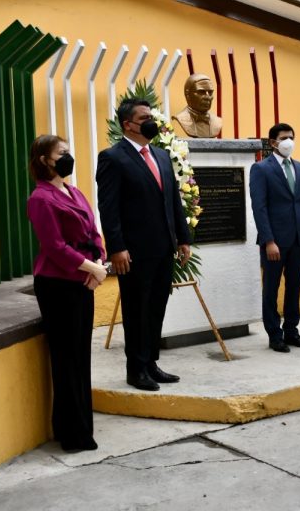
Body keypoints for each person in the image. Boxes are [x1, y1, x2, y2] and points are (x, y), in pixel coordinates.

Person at [97, 98, 192, 391]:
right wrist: (116, 247)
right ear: (128, 124)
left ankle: (151, 362)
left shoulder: (162, 156)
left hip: (164, 248)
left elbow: (173, 200)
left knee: (156, 308)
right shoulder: (113, 157)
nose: (152, 122)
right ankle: (135, 369)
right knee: (137, 310)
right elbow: (108, 207)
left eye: (152, 116)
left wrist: (183, 238)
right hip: (134, 252)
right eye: (144, 117)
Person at [27, 134, 107, 452]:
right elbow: (55, 247)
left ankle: (72, 426)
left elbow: (92, 231)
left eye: (68, 152)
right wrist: (91, 268)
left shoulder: (73, 191)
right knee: (66, 358)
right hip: (57, 285)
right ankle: (73, 435)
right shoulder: (41, 199)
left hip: (82, 282)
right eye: (61, 153)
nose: (67, 157)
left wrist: (97, 264)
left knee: (80, 356)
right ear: (45, 160)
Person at [249, 122, 300, 353]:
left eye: (292, 136)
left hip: (299, 240)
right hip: (274, 242)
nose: (289, 141)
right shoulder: (261, 169)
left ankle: (292, 331)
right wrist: (269, 240)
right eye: (283, 137)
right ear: (273, 142)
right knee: (271, 288)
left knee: (294, 287)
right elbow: (259, 207)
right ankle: (274, 335)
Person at [172, 73, 223, 138]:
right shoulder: (181, 118)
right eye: (201, 92)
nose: (208, 97)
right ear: (187, 94)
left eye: (210, 92)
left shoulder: (217, 121)